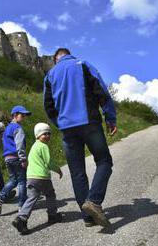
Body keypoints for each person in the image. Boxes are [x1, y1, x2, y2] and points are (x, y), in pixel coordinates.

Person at [43, 48, 117, 228]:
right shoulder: (83, 64)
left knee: (77, 172)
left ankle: (87, 216)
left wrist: (60, 123)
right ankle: (93, 201)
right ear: (69, 54)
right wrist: (110, 117)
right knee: (104, 161)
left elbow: (48, 106)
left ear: (56, 59)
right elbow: (101, 91)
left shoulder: (50, 75)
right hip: (89, 123)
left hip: (67, 129)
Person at [12, 123, 63, 235]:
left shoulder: (34, 146)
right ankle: (52, 215)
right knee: (50, 194)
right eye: (44, 134)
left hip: (31, 177)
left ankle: (21, 219)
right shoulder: (43, 146)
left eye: (49, 133)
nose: (47, 136)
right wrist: (58, 170)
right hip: (42, 177)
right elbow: (49, 162)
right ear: (38, 135)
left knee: (32, 197)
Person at [0, 105, 31, 215]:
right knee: (22, 182)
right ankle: (22, 205)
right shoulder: (18, 128)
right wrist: (23, 159)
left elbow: (5, 143)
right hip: (17, 157)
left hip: (8, 158)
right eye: (22, 115)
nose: (24, 117)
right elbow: (19, 145)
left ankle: (0, 197)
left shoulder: (8, 128)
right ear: (15, 115)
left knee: (13, 180)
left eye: (25, 116)